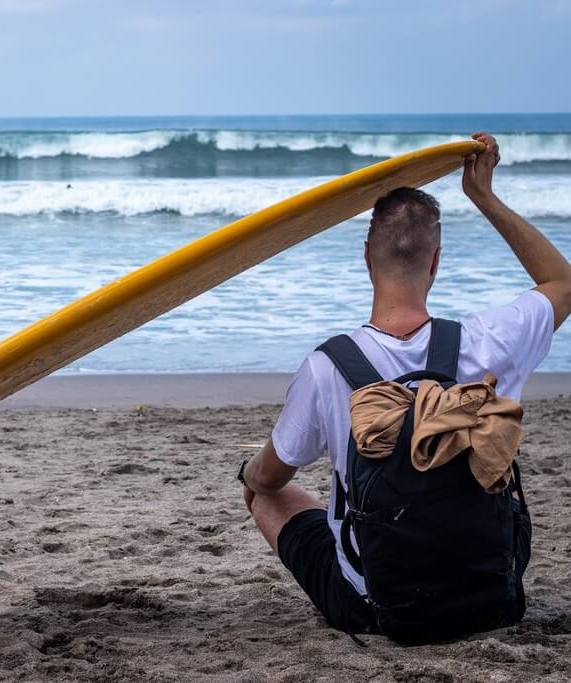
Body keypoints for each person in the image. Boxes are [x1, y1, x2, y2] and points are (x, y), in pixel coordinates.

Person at [237, 132, 571, 638]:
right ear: (435, 262)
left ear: (366, 258)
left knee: (264, 492)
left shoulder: (326, 368)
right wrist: (483, 195)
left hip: (377, 609)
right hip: (490, 595)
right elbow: (562, 284)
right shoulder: (492, 341)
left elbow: (269, 478)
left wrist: (249, 475)